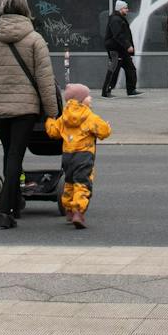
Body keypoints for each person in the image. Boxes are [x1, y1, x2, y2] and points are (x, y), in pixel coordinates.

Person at [0, 0, 61, 230]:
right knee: (16, 155)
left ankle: (15, 201)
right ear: (25, 9)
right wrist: (53, 114)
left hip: (0, 109)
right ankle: (6, 211)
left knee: (9, 154)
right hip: (25, 108)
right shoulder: (35, 39)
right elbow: (45, 81)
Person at [44, 82, 111, 229]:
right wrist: (107, 126)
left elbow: (53, 131)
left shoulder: (64, 117)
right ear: (81, 100)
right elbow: (103, 132)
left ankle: (68, 209)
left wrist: (49, 120)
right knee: (82, 183)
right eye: (88, 96)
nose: (91, 99)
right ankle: (78, 212)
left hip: (68, 156)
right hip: (84, 156)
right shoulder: (89, 116)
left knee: (69, 182)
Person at [101, 0, 140, 98]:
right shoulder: (115, 20)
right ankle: (106, 92)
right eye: (125, 8)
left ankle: (131, 90)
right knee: (114, 69)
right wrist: (128, 46)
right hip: (116, 49)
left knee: (130, 68)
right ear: (120, 9)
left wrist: (127, 46)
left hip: (122, 49)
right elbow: (118, 35)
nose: (127, 10)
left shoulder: (120, 19)